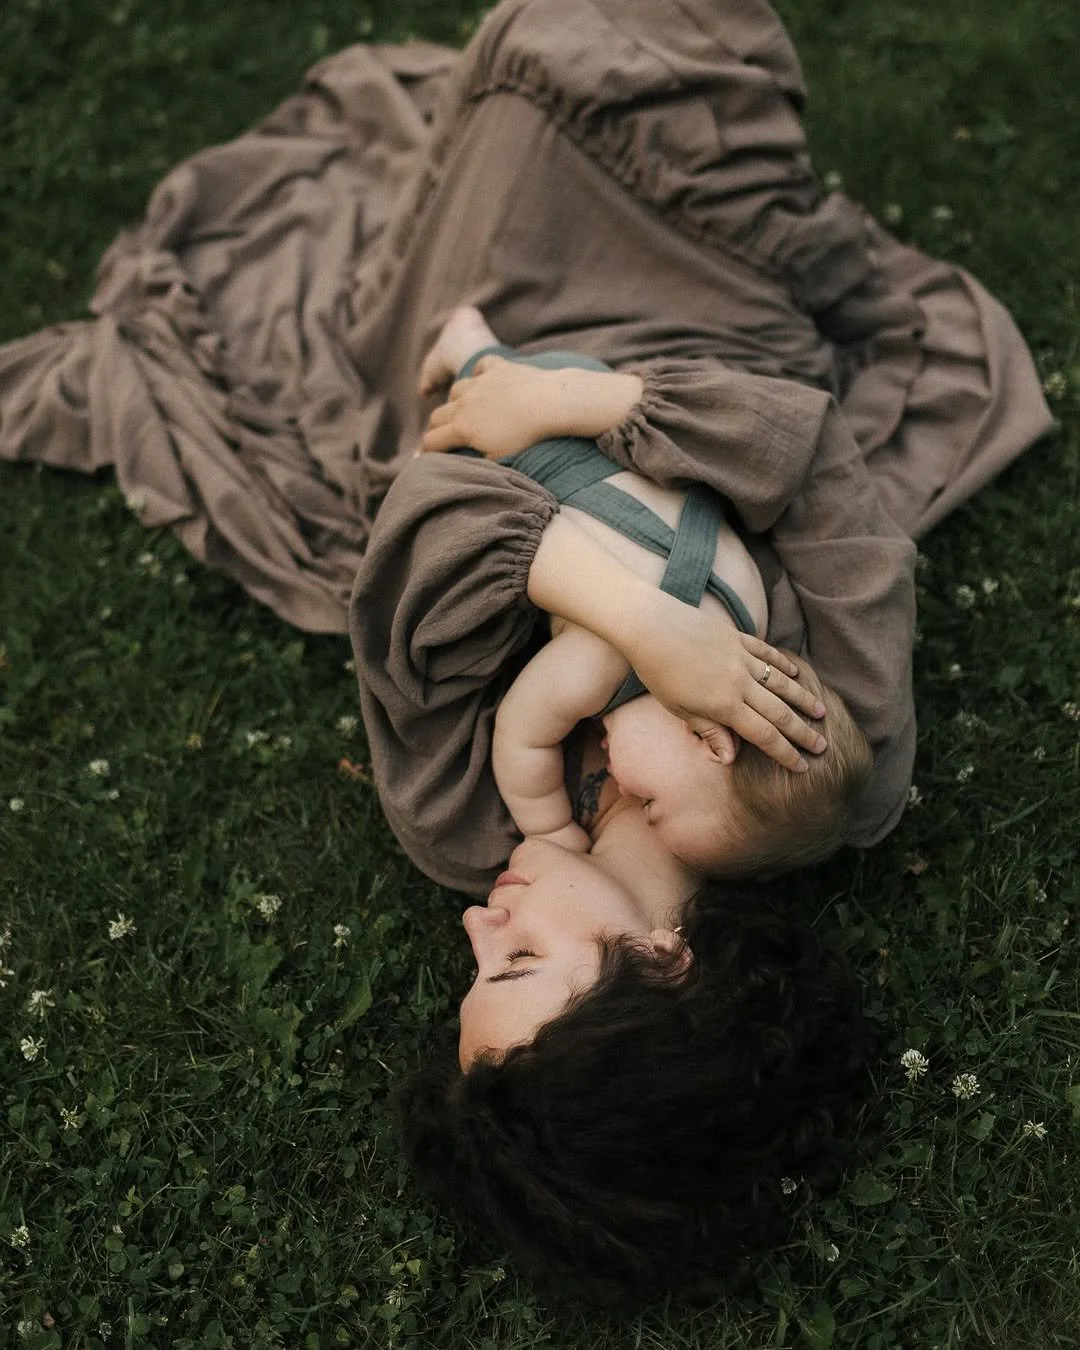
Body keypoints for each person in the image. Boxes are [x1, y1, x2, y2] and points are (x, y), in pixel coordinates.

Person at [0, 0, 1053, 1308]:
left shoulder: (465, 813)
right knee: (646, 80)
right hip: (693, 355)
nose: (470, 921)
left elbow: (422, 530)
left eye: (474, 964)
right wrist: (593, 405)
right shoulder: (834, 765)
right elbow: (823, 466)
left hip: (488, 379)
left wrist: (639, 616)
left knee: (544, 94)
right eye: (515, 961)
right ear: (662, 965)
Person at [419, 305, 874, 876]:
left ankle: (474, 344)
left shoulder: (748, 613)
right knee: (437, 463)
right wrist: (550, 830)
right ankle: (464, 350)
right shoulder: (600, 664)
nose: (626, 796)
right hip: (522, 442)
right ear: (709, 741)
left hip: (604, 417)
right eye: (652, 803)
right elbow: (520, 734)